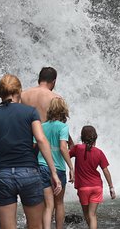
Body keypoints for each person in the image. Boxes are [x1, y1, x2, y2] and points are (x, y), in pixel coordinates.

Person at [0, 74, 62, 229]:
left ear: (0, 93)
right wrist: (54, 173)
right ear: (19, 91)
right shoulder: (30, 112)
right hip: (29, 173)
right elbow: (41, 140)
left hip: (3, 176)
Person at [38, 98, 75, 229]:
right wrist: (71, 167)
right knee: (59, 203)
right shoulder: (63, 127)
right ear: (63, 111)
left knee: (48, 205)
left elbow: (34, 145)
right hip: (58, 168)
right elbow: (63, 147)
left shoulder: (41, 126)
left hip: (42, 167)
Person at [69, 125, 116, 229]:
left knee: (87, 214)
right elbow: (106, 171)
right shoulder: (99, 152)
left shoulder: (77, 149)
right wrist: (111, 187)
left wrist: (70, 169)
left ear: (82, 137)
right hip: (96, 187)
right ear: (95, 138)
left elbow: (66, 155)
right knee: (92, 215)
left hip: (83, 188)